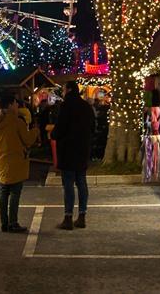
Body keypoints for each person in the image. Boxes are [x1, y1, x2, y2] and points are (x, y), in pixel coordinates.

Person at [0, 96, 40, 233]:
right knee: (15, 192)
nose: (17, 106)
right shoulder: (16, 121)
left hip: (2, 159)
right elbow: (27, 139)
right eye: (16, 103)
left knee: (4, 191)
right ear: (11, 105)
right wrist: (35, 131)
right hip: (16, 160)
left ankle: (4, 223)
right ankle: (13, 223)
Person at [51, 81, 94, 230]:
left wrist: (54, 135)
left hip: (68, 150)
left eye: (63, 89)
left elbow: (60, 127)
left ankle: (68, 217)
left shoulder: (66, 106)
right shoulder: (86, 107)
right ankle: (82, 216)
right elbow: (92, 128)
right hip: (82, 149)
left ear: (68, 90)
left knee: (68, 183)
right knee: (81, 182)